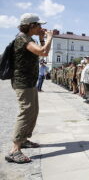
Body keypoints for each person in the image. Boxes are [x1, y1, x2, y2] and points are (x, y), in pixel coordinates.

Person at [5, 13, 53, 163]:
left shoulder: (29, 39)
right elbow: (42, 52)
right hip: (23, 82)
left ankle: (24, 139)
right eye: (39, 25)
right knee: (26, 112)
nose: (41, 28)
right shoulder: (22, 38)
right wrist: (50, 37)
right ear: (31, 26)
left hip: (29, 82)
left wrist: (42, 39)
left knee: (33, 111)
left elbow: (41, 51)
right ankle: (14, 149)